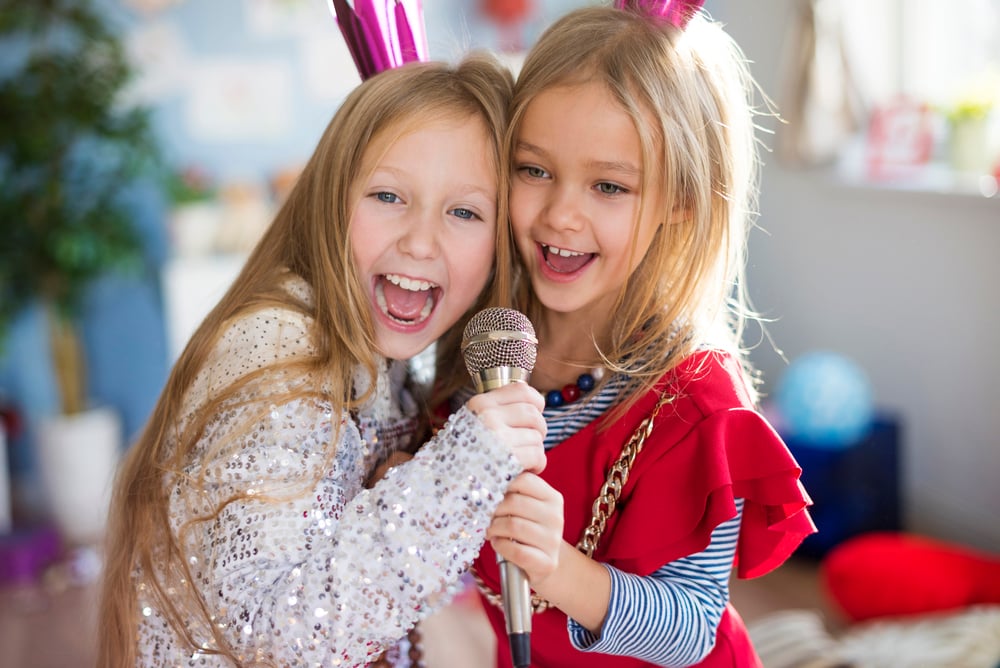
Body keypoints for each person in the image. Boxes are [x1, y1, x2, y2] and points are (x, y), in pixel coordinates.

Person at [97, 52, 550, 667]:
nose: (421, 241)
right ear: (331, 201)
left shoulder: (386, 366)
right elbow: (278, 639)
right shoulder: (281, 354)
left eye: (464, 212)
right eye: (388, 195)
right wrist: (458, 473)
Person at [468, 2, 817, 666]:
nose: (561, 214)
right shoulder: (487, 349)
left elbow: (691, 628)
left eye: (608, 186)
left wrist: (554, 564)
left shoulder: (694, 398)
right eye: (534, 170)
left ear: (681, 198)